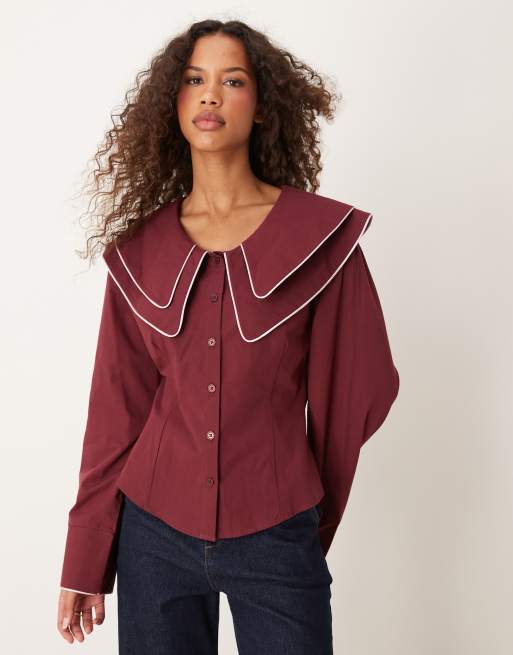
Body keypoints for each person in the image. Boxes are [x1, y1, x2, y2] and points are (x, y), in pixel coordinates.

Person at [56, 18, 400, 653]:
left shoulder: (322, 241)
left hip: (277, 534)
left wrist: (307, 514)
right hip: (152, 538)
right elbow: (114, 414)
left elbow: (358, 391)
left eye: (233, 80)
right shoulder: (139, 251)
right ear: (174, 101)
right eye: (194, 80)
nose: (210, 94)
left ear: (263, 105)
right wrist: (85, 559)